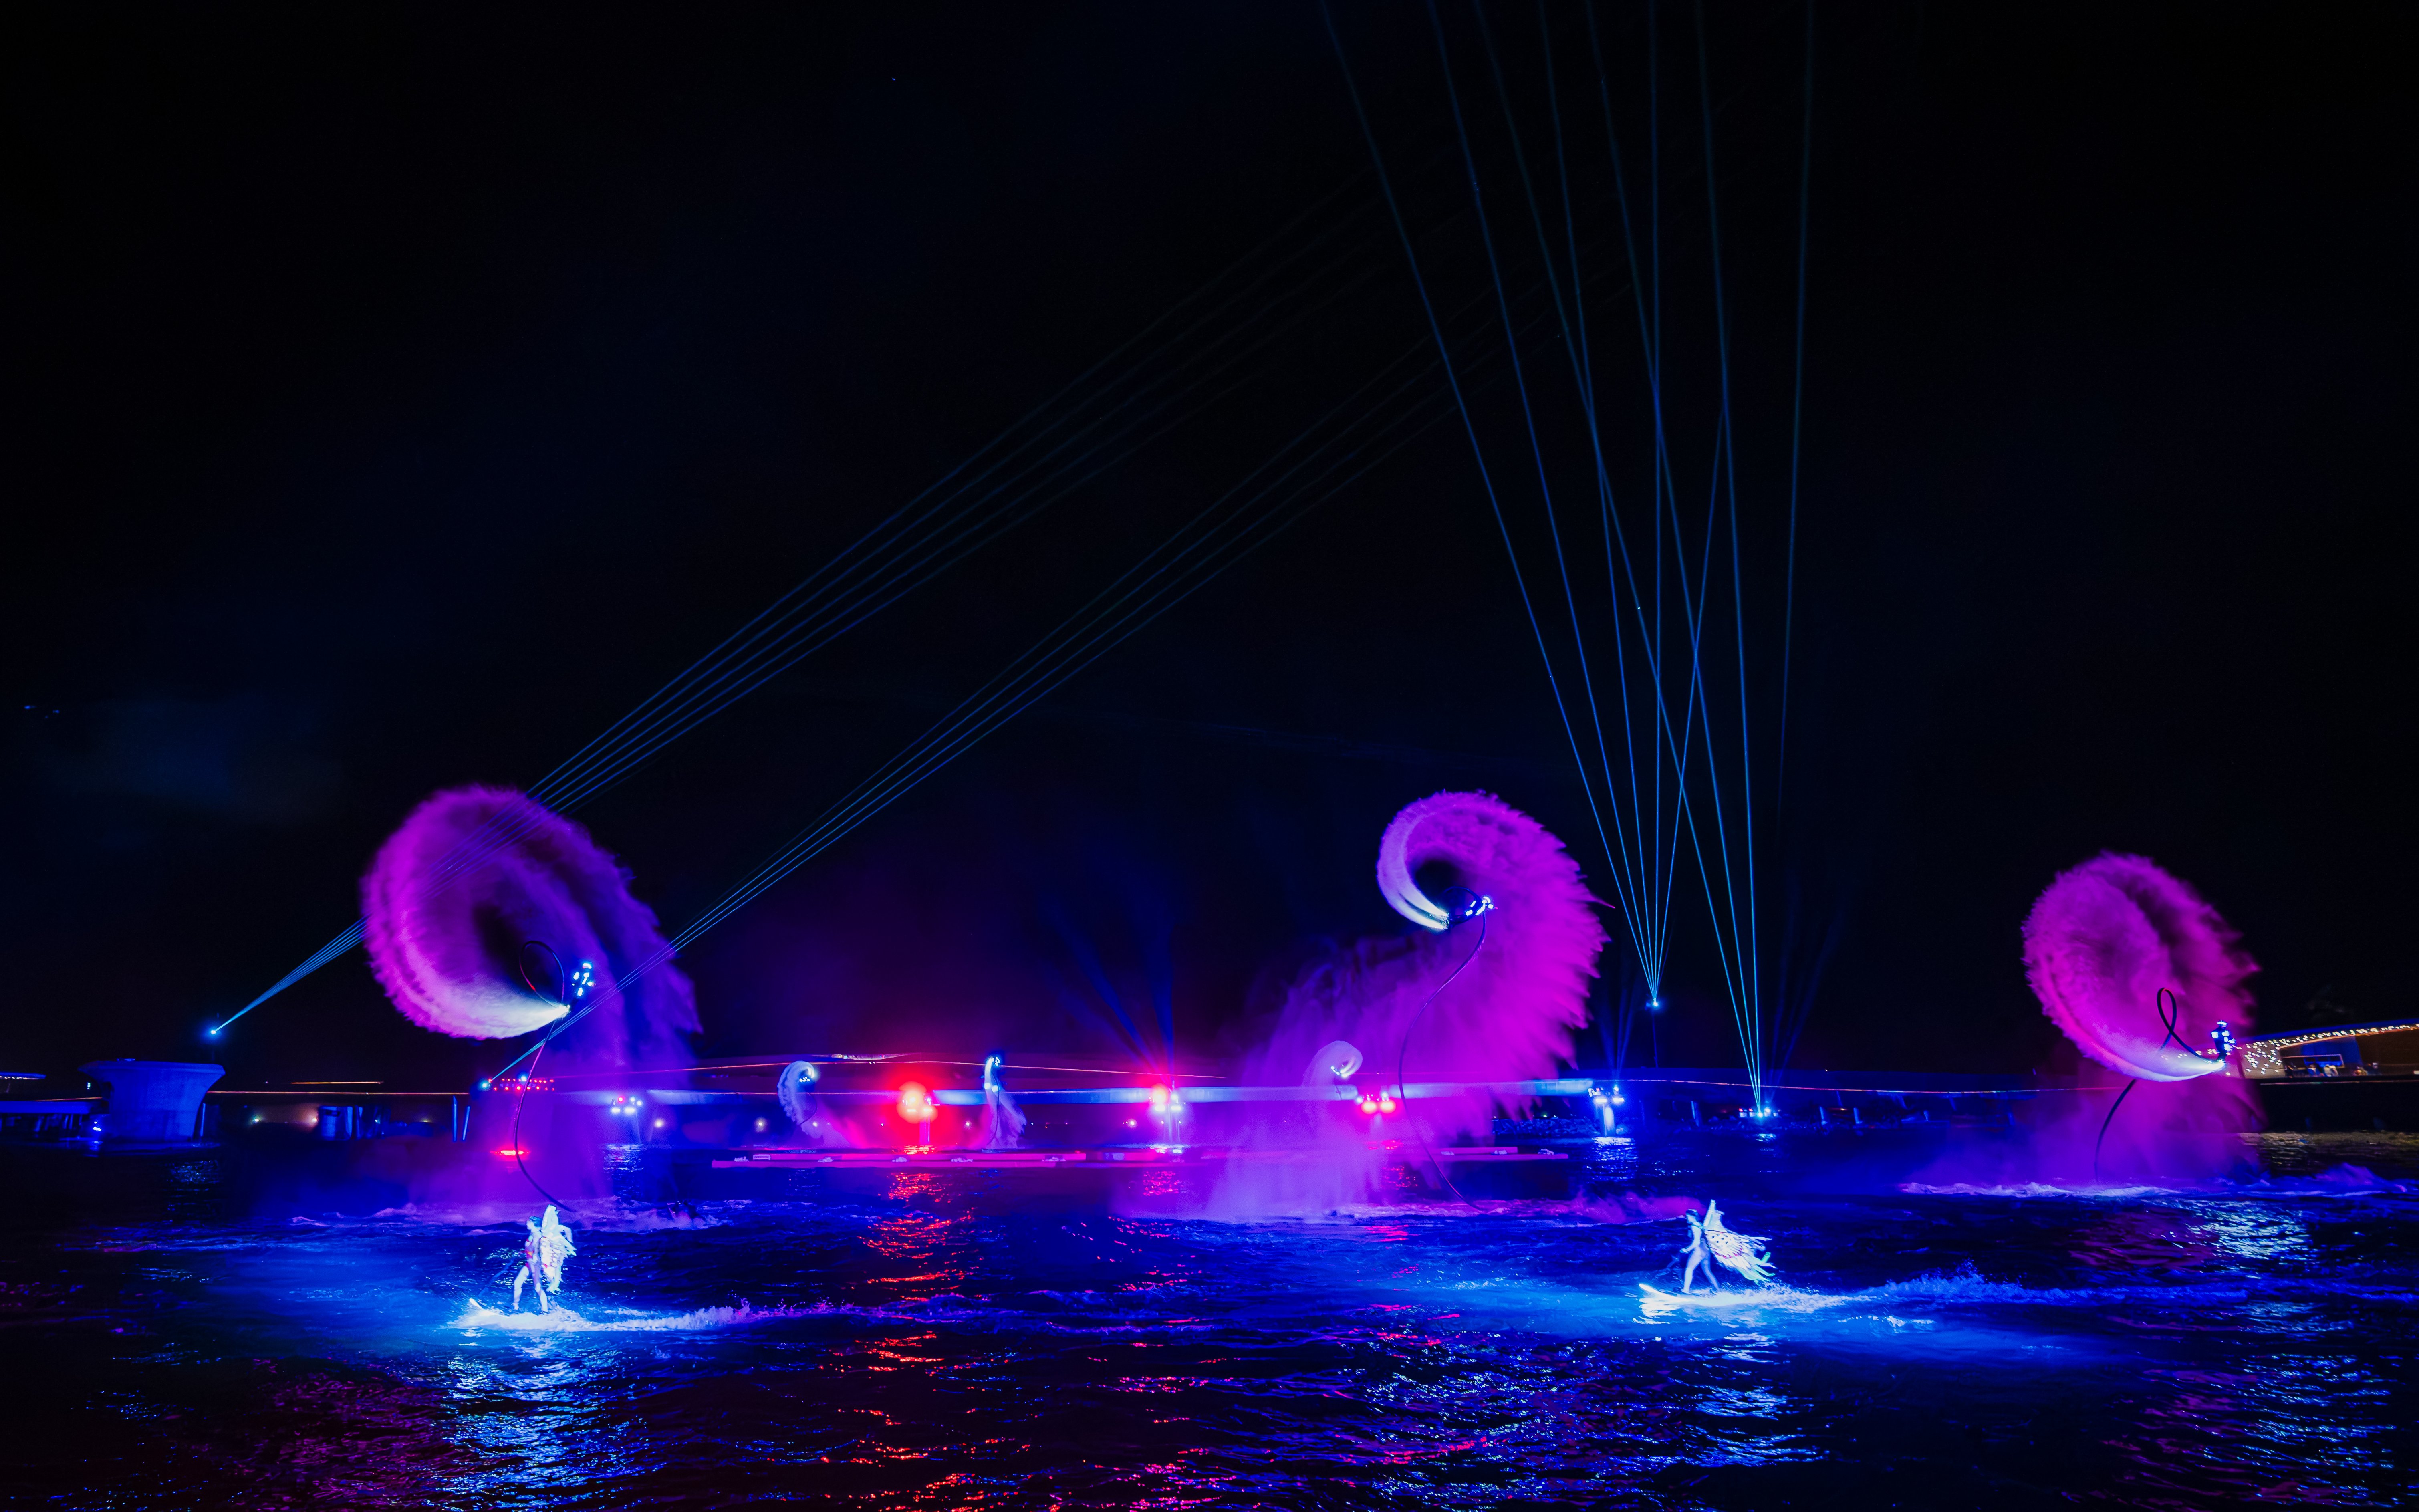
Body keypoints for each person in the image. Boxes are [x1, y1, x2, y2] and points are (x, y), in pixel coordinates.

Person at [1679, 1200, 1775, 1291]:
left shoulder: (1694, 1226)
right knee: (1708, 1272)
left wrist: (1687, 1250)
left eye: (1688, 1216)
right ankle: (1718, 1290)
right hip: (1707, 1252)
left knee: (1689, 1269)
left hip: (1698, 1251)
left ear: (1692, 1217)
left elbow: (1696, 1242)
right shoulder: (1701, 1225)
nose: (1687, 1218)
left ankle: (1686, 1290)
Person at [512, 1204, 578, 1312]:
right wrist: (523, 1252)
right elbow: (531, 1248)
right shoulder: (532, 1234)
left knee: (538, 1288)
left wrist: (534, 1255)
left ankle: (545, 1310)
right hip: (529, 1263)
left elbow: (537, 1248)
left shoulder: (537, 1235)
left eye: (529, 1222)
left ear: (533, 1224)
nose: (527, 1223)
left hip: (535, 1264)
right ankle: (515, 1307)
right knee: (517, 1283)